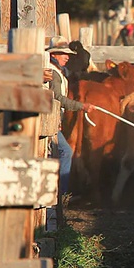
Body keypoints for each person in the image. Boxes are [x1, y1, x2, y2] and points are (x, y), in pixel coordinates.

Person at [45, 36, 95, 196]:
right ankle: (61, 194)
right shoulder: (52, 73)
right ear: (53, 55)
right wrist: (82, 106)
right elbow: (58, 98)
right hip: (48, 120)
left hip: (50, 119)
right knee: (66, 152)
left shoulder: (55, 71)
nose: (67, 57)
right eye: (63, 54)